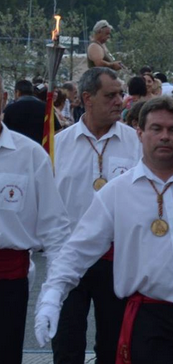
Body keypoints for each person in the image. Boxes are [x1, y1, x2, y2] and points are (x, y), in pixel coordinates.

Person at [35, 96, 173, 364]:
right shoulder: (117, 192)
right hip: (150, 321)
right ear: (140, 133)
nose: (164, 137)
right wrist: (52, 297)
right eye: (156, 129)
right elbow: (78, 249)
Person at [51, 67, 143, 364]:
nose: (120, 101)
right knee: (66, 342)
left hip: (118, 260)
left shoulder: (136, 143)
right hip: (71, 259)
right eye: (111, 95)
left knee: (114, 344)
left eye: (121, 94)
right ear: (87, 98)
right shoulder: (58, 145)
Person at [0, 74, 71, 364]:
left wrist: (53, 291)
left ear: (4, 100)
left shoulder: (30, 155)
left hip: (7, 282)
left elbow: (54, 227)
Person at [3, 79, 54, 144]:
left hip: (16, 148)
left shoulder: (10, 109)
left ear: (17, 92)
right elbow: (56, 130)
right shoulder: (45, 107)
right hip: (40, 149)